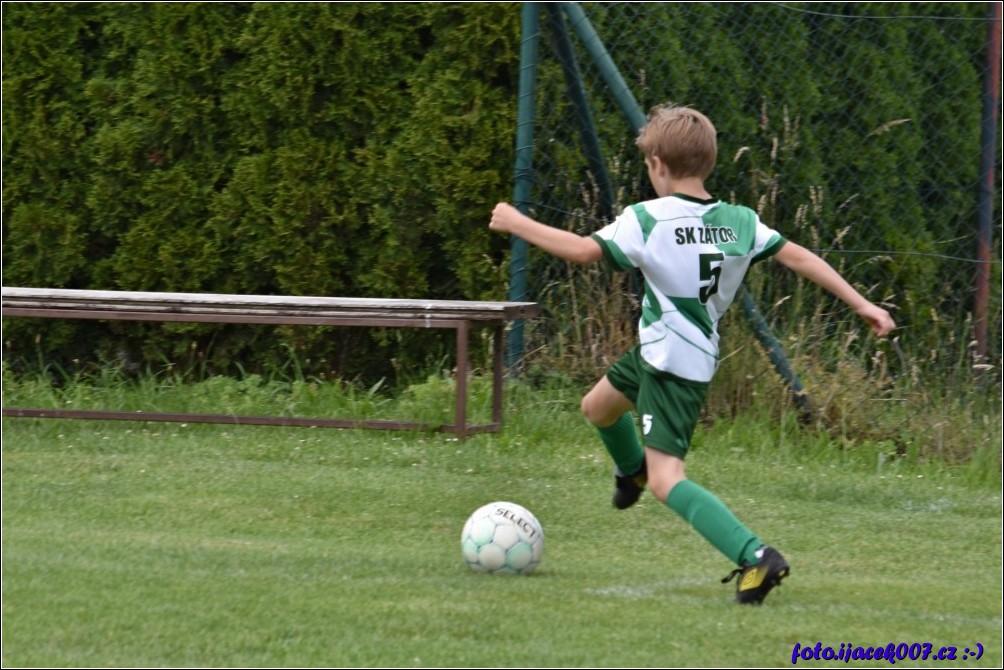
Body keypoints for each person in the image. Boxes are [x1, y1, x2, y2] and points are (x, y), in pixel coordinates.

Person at [488, 102, 896, 605]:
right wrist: (862, 304)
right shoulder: (740, 222)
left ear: (657, 164)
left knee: (669, 481)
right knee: (597, 407)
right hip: (664, 351)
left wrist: (516, 221)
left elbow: (582, 250)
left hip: (671, 365)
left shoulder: (647, 219)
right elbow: (800, 257)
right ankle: (632, 469)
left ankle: (755, 556)